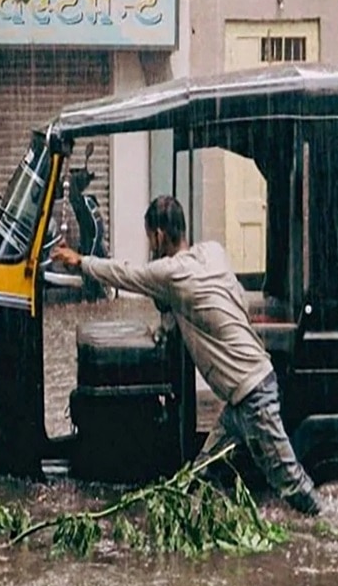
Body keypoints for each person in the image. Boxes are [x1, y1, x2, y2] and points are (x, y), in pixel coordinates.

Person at [50, 195, 323, 515]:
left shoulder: (170, 273)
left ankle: (333, 529)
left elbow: (122, 273)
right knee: (199, 479)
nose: (150, 244)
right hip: (242, 397)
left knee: (293, 488)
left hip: (252, 397)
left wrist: (79, 261)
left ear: (159, 236)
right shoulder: (214, 252)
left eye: (150, 237)